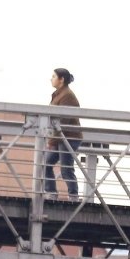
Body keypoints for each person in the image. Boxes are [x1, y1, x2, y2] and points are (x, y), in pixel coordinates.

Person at [43, 67, 82, 200]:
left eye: (54, 76)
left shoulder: (67, 96)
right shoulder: (59, 94)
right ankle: (51, 192)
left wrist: (51, 141)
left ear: (61, 79)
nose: (51, 79)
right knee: (46, 164)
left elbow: (63, 123)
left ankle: (73, 196)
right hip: (60, 138)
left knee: (66, 169)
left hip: (69, 137)